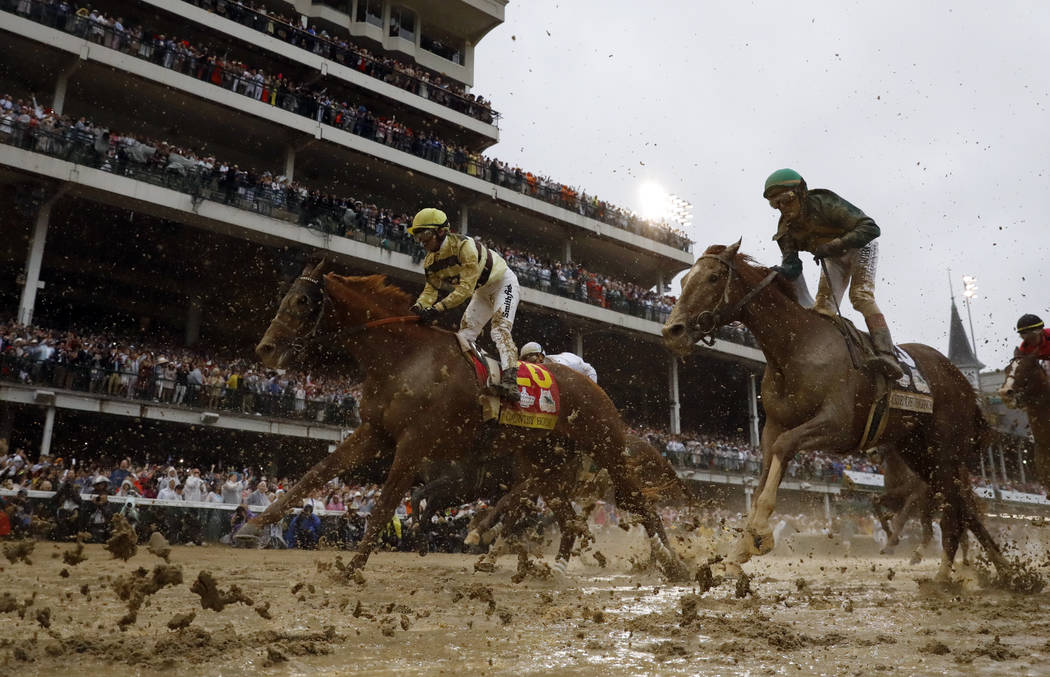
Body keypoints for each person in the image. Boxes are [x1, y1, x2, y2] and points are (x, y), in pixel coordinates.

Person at [763, 168, 903, 380]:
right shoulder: (785, 230)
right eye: (776, 204)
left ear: (801, 193)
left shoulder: (823, 203)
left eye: (786, 200)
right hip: (832, 257)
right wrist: (777, 273)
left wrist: (835, 245)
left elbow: (871, 228)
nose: (783, 208)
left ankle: (887, 354)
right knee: (823, 309)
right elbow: (793, 266)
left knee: (860, 297)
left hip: (861, 247)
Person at [406, 207, 521, 398]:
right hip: (482, 290)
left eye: (426, 235)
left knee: (500, 329)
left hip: (503, 283)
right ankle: (469, 379)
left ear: (442, 231)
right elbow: (430, 290)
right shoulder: (430, 262)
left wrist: (437, 309)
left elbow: (465, 290)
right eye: (418, 236)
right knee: (465, 335)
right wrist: (419, 308)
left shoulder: (464, 247)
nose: (423, 242)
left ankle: (511, 381)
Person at [519, 341, 598, 383]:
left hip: (588, 374)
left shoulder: (560, 365)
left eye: (530, 359)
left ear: (540, 357)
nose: (529, 364)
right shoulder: (544, 367)